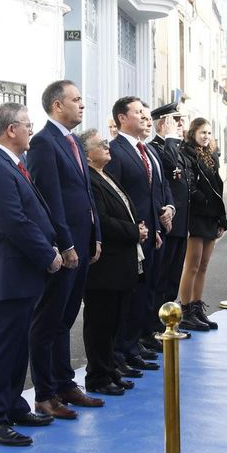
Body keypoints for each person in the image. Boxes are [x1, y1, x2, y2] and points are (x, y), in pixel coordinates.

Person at [0, 103, 62, 447]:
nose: (30, 131)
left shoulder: (6, 162)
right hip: (1, 278)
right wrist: (47, 255)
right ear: (10, 130)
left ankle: (13, 406)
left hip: (17, 277)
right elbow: (14, 223)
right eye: (27, 125)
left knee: (16, 349)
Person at [24, 81, 105, 420]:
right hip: (65, 247)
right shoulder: (44, 142)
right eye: (76, 99)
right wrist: (66, 243)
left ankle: (65, 384)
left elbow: (84, 194)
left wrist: (95, 235)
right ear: (58, 106)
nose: (82, 105)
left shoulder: (71, 140)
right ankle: (45, 393)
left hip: (83, 244)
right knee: (48, 321)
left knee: (66, 319)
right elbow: (49, 198)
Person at [106, 96, 171, 371]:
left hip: (154, 234)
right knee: (130, 296)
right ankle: (122, 349)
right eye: (139, 112)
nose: (146, 117)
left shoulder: (149, 151)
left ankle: (135, 343)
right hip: (133, 237)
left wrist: (168, 208)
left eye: (146, 112)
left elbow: (160, 186)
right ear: (122, 118)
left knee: (147, 292)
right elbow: (114, 197)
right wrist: (138, 229)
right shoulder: (115, 151)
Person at [80, 130, 146, 395]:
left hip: (122, 262)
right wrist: (134, 231)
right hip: (105, 266)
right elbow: (102, 222)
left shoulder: (106, 175)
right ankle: (97, 376)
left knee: (115, 321)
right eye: (102, 145)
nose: (108, 147)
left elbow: (125, 208)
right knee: (100, 323)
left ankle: (109, 370)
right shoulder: (90, 180)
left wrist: (137, 226)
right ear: (87, 154)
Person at [150, 103, 202, 332]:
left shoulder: (175, 147)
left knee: (172, 278)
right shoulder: (158, 147)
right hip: (167, 225)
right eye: (177, 121)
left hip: (181, 223)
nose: (182, 126)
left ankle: (169, 324)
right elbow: (169, 165)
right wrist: (169, 138)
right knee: (160, 280)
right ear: (164, 123)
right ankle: (156, 326)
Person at [178, 119, 227, 328]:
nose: (206, 136)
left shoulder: (211, 156)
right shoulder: (186, 153)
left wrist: (220, 217)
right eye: (202, 132)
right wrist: (206, 202)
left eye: (209, 132)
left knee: (204, 266)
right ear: (193, 133)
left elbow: (217, 188)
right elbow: (190, 187)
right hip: (195, 216)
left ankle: (197, 308)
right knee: (192, 265)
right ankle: (186, 310)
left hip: (210, 215)